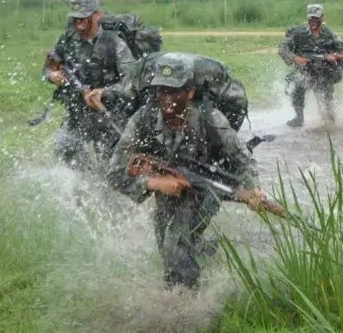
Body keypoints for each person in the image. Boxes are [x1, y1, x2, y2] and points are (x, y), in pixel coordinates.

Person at [106, 55, 263, 288]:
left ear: (189, 92)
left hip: (208, 185)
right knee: (167, 244)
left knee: (175, 243)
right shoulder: (142, 119)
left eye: (175, 91)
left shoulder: (210, 119)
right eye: (161, 91)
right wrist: (153, 183)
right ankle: (205, 251)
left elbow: (242, 159)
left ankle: (185, 303)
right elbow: (115, 173)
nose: (167, 99)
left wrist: (254, 189)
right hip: (167, 185)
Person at [44, 0, 134, 170]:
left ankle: (104, 186)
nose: (79, 22)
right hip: (77, 115)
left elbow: (132, 84)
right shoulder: (66, 41)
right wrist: (52, 76)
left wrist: (104, 92)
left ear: (97, 14)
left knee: (110, 167)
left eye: (84, 17)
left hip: (109, 116)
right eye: (76, 18)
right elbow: (48, 67)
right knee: (64, 145)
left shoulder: (115, 44)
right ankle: (87, 179)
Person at [278, 4, 343, 127]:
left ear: (322, 18)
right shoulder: (299, 33)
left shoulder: (330, 35)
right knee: (298, 86)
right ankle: (299, 118)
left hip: (324, 73)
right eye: (310, 19)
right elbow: (282, 48)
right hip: (305, 71)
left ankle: (330, 120)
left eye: (316, 19)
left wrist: (334, 56)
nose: (313, 22)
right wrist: (296, 58)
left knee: (328, 110)